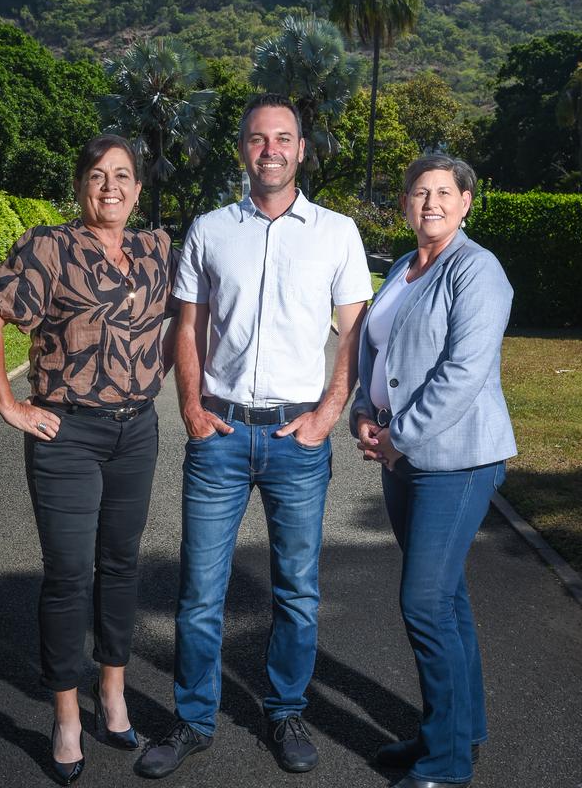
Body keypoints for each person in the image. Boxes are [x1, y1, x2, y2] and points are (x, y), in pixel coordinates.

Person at [137, 94, 372, 779]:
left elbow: (355, 331)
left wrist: (329, 413)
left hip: (298, 440)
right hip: (221, 433)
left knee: (297, 589)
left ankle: (285, 708)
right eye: (258, 138)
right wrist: (190, 407)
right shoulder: (211, 230)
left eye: (283, 138)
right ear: (244, 149)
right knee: (199, 590)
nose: (270, 149)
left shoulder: (337, 232)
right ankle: (192, 719)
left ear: (301, 150)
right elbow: (187, 326)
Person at [0, 134, 177, 786]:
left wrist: (159, 370)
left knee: (120, 565)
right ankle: (64, 714)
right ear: (80, 185)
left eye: (122, 176)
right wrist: (9, 406)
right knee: (67, 575)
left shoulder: (155, 248)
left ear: (138, 190)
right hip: (68, 436)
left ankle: (111, 692)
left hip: (136, 432)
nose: (110, 187)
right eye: (97, 175)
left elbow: (186, 319)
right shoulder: (48, 247)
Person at [351, 154, 516, 788]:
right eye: (419, 192)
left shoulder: (477, 270)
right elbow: (378, 350)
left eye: (443, 193)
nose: (430, 203)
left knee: (423, 604)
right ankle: (457, 731)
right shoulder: (402, 267)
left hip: (458, 460)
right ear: (404, 203)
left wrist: (398, 436)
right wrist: (366, 413)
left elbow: (462, 374)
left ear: (466, 201)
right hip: (403, 458)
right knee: (447, 600)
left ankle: (445, 766)